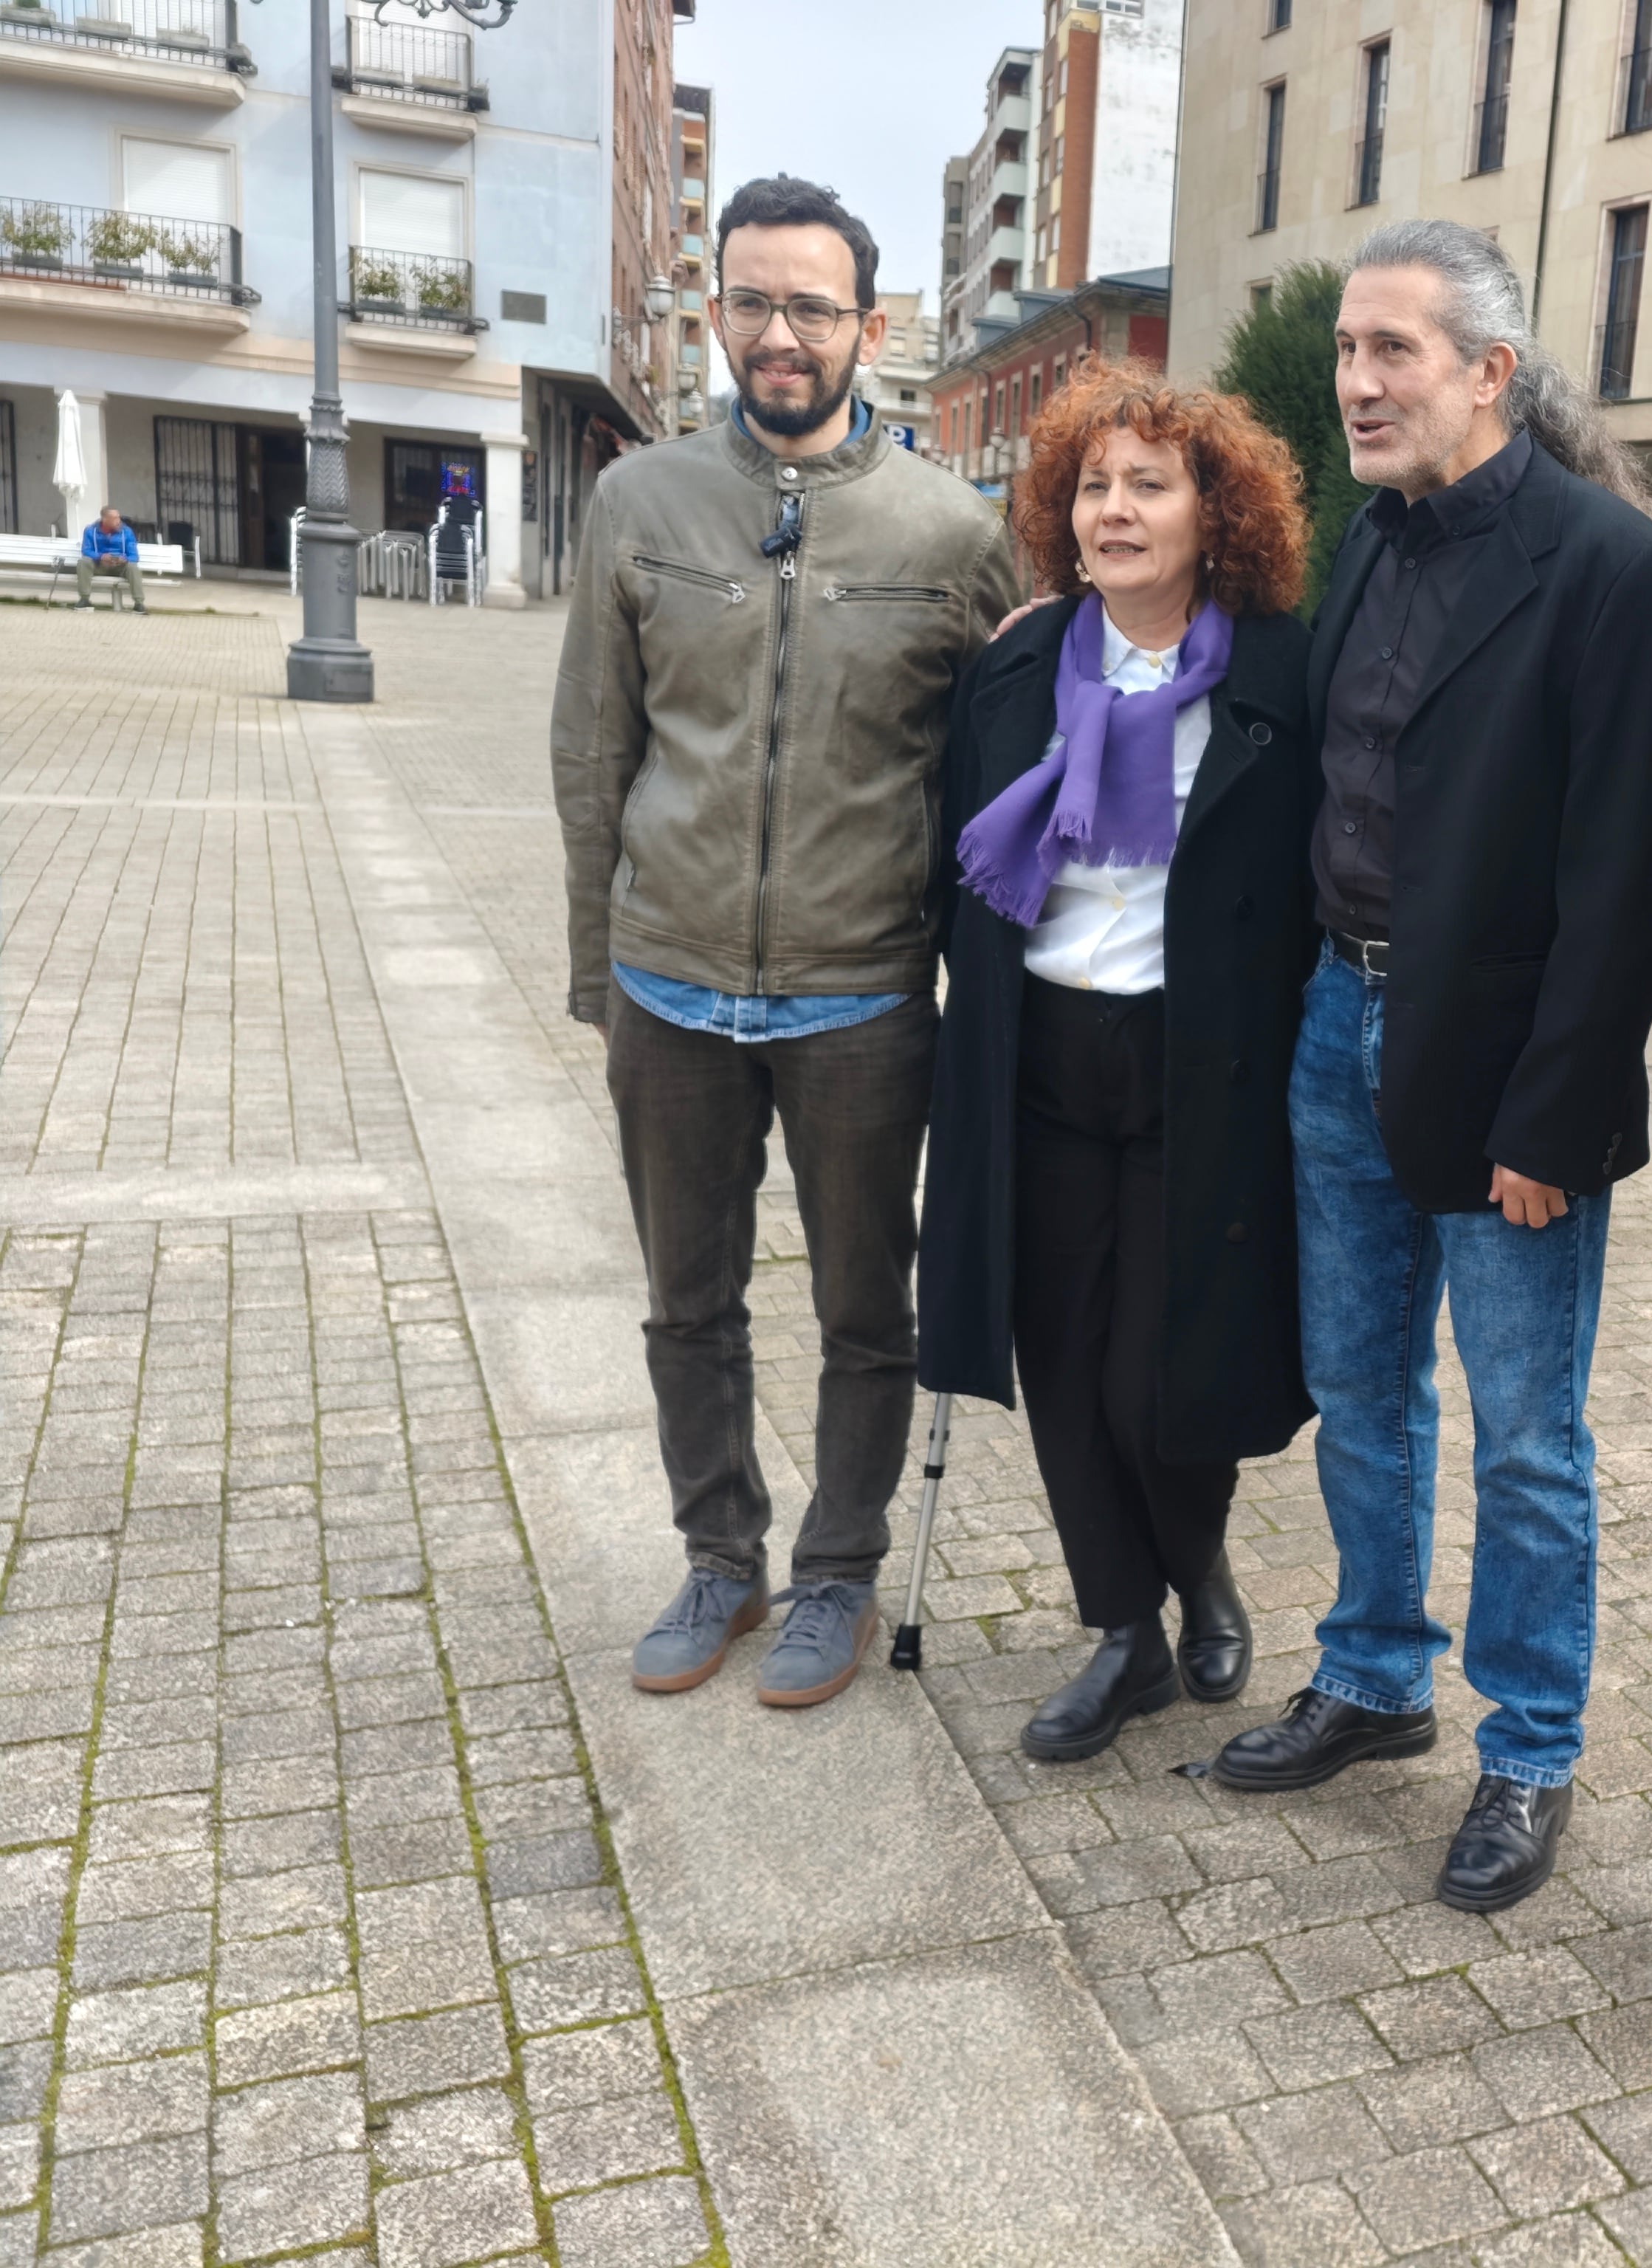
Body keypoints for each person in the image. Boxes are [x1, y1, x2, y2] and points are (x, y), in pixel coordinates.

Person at [1205, 220, 1652, 1917]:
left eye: (1390, 351)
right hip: (1335, 1033)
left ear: (1488, 373)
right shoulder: (1369, 547)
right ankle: (1373, 1672)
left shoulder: (1613, 571)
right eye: (1349, 349)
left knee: (1526, 1428)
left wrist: (1556, 1113)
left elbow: (1628, 878)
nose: (1354, 380)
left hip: (1503, 1069)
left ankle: (1534, 1742)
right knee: (1361, 1386)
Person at [551, 176, 1016, 1708]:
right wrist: (590, 967)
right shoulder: (643, 504)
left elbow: (1013, 765)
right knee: (687, 1301)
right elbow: (590, 751)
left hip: (861, 995)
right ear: (717, 313)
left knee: (862, 1309)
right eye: (751, 300)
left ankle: (836, 1575)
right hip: (666, 982)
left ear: (868, 329)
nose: (779, 333)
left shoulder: (956, 534)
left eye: (812, 306)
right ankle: (718, 1557)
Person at [917, 364, 1318, 1762]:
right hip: (1034, 1056)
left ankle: (1199, 1567)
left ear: (1217, 512)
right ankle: (1124, 1631)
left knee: (1166, 1366)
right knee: (1063, 1363)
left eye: (1151, 482)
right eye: (1094, 484)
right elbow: (947, 866)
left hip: (1195, 1067)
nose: (1116, 508)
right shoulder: (1016, 670)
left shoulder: (1282, 678)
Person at [72, 507, 145, 613]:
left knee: (133, 567)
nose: (118, 521)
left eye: (118, 518)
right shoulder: (91, 531)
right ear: (105, 519)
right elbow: (86, 551)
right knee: (84, 562)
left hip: (120, 568)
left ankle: (139, 604)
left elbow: (135, 556)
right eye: (115, 518)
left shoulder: (127, 532)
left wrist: (124, 559)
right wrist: (100, 556)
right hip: (100, 566)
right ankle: (84, 599)